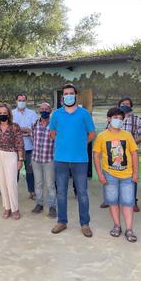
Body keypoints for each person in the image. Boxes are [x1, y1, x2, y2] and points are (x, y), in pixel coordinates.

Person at [49, 83, 96, 237]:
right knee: (61, 192)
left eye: (71, 93)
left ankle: (85, 224)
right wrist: (64, 144)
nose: (68, 96)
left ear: (76, 95)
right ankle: (62, 221)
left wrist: (80, 144)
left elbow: (91, 134)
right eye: (66, 94)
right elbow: (53, 133)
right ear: (62, 97)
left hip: (80, 160)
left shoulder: (84, 114)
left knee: (82, 193)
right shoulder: (56, 114)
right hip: (60, 159)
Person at [94, 107, 139, 242]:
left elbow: (134, 153)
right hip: (109, 175)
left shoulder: (127, 135)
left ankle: (129, 229)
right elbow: (96, 156)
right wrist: (100, 174)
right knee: (113, 201)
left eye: (120, 118)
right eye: (115, 118)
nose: (118, 121)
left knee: (127, 202)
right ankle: (117, 226)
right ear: (108, 119)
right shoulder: (102, 136)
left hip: (127, 175)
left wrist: (136, 172)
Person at [100, 96, 141, 212]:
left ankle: (132, 202)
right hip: (113, 153)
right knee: (109, 175)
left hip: (130, 154)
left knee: (131, 178)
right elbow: (107, 132)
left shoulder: (137, 119)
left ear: (131, 106)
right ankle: (108, 200)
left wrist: (129, 144)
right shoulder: (115, 118)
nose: (125, 105)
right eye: (123, 103)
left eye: (128, 103)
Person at [0, 104, 25, 220]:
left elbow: (19, 144)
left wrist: (20, 159)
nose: (2, 115)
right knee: (2, 183)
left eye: (5, 113)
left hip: (11, 156)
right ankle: (7, 208)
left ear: (9, 114)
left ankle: (15, 209)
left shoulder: (15, 127)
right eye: (0, 113)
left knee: (11, 183)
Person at [31, 102, 57, 218]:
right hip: (36, 159)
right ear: (39, 111)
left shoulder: (54, 124)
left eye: (46, 109)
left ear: (50, 111)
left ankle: (52, 207)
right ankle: (39, 204)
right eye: (42, 109)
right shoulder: (35, 124)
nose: (44, 111)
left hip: (49, 159)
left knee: (50, 184)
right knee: (38, 183)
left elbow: (57, 140)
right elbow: (33, 138)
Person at [12, 93, 38, 200]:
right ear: (16, 101)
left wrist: (19, 130)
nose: (21, 102)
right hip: (15, 148)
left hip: (29, 148)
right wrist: (26, 130)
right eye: (19, 100)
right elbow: (11, 129)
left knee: (30, 171)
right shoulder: (11, 113)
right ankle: (13, 192)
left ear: (26, 101)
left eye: (23, 100)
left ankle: (32, 192)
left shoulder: (32, 113)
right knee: (14, 171)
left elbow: (34, 129)